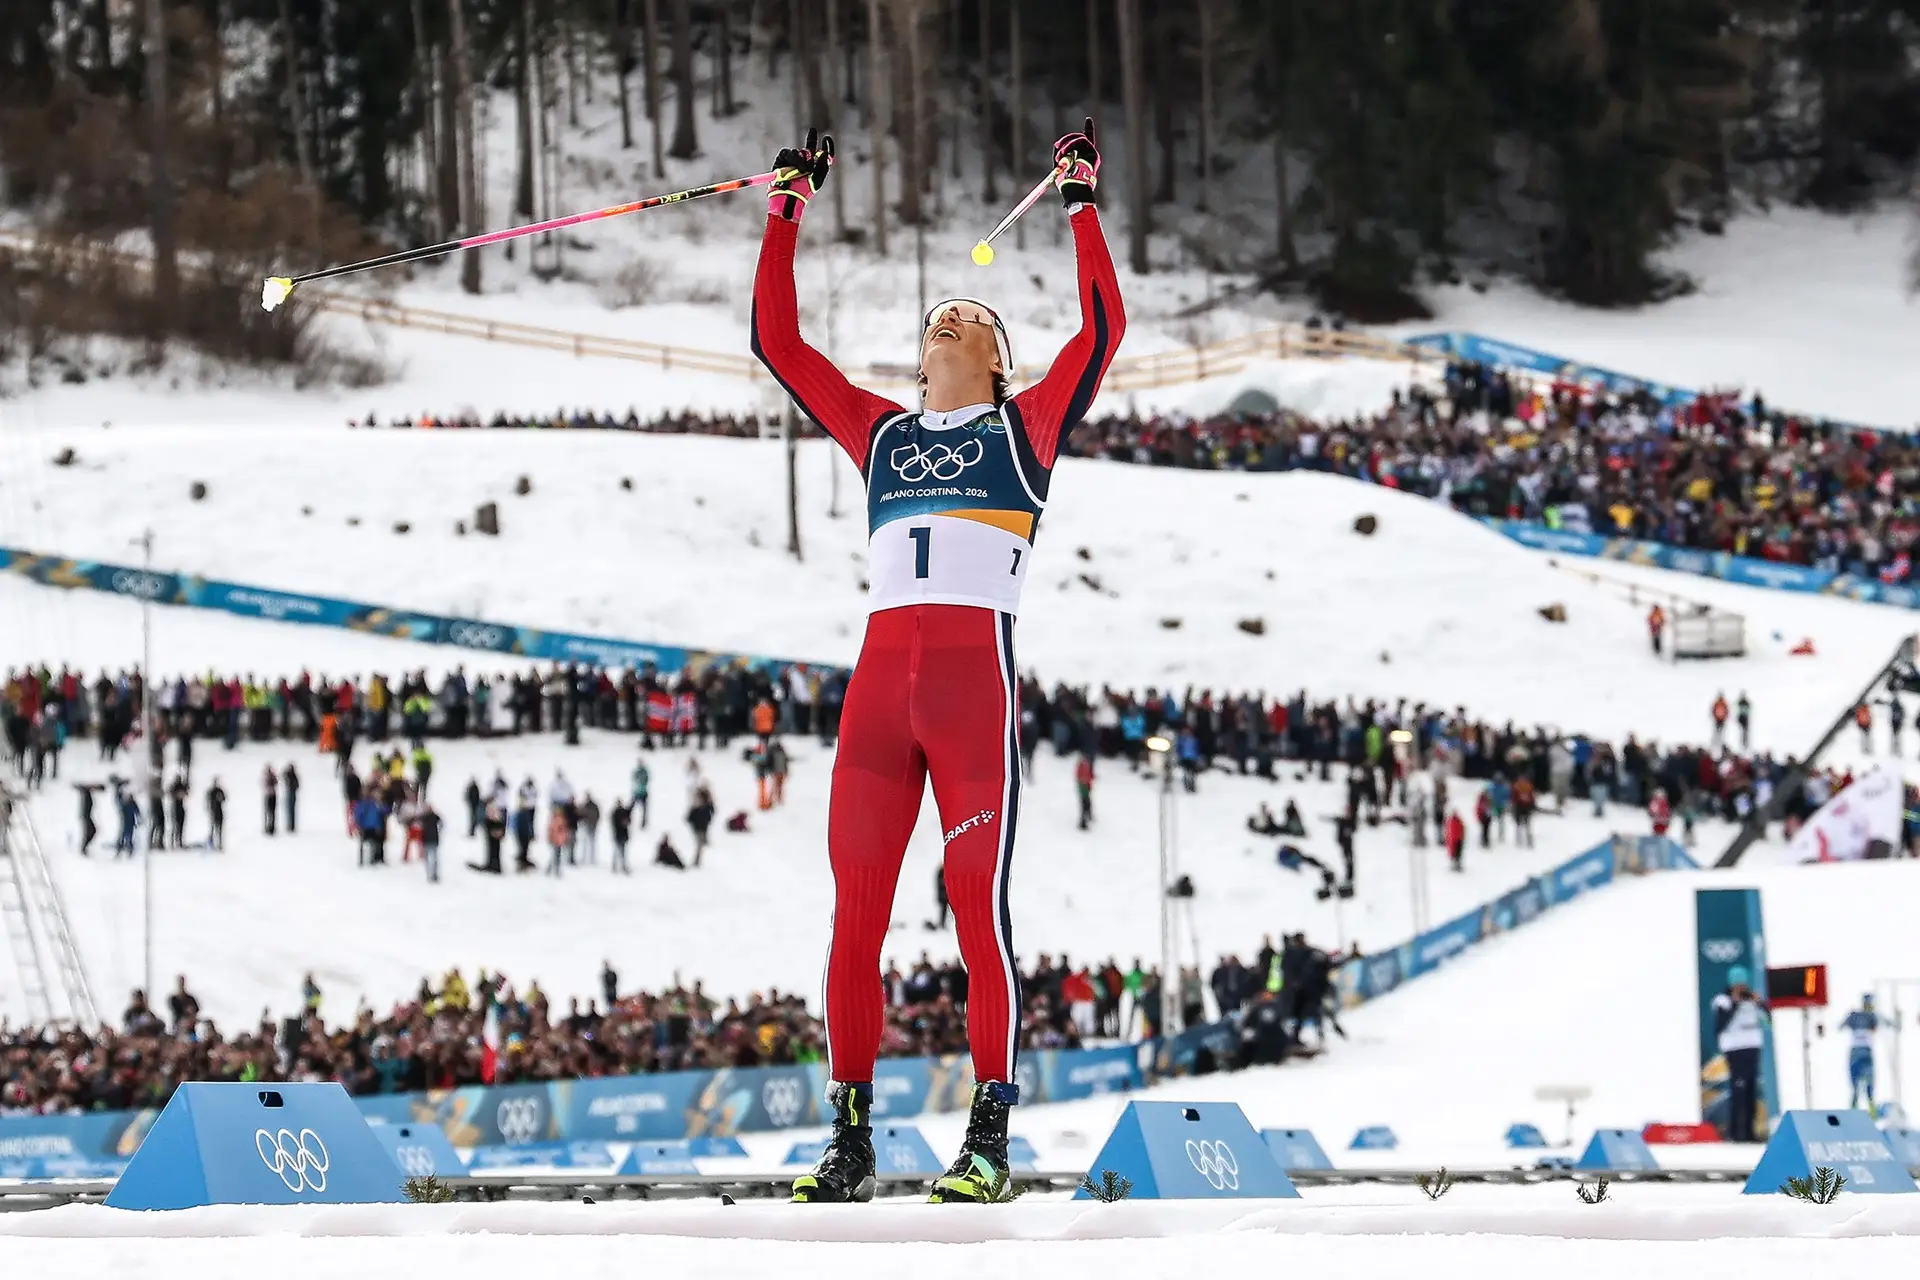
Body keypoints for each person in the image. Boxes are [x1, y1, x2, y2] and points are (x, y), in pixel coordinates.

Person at [753, 119, 1123, 1205]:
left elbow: (1102, 327)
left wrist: (1080, 197)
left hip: (970, 692)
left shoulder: (1028, 429)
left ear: (1000, 363)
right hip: (878, 695)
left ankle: (989, 1137)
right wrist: (788, 205)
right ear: (921, 359)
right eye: (942, 317)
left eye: (976, 317)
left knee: (977, 913)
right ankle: (852, 1138)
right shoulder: (880, 435)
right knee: (852, 917)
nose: (956, 314)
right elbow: (780, 343)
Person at [1713, 965, 1769, 1143]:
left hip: (1752, 1047)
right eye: (1737, 983)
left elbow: (1768, 1021)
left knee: (1751, 1089)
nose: (1741, 987)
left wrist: (1760, 1004)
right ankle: (1736, 1132)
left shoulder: (1751, 1000)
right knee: (1738, 1089)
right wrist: (1735, 1003)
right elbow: (1720, 1025)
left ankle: (1750, 1131)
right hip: (1734, 1049)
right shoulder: (1722, 1000)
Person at [1842, 994, 1880, 1111]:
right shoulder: (1868, 1016)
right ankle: (1858, 1108)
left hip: (1860, 1051)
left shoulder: (1861, 1016)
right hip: (1862, 1051)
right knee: (1861, 1084)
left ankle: (1861, 1107)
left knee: (1862, 1084)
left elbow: (1842, 1025)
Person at [420, 801, 442, 884]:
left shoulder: (433, 817)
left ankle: (434, 874)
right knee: (429, 859)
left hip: (432, 840)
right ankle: (430, 874)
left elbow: (441, 824)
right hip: (427, 840)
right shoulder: (424, 817)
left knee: (433, 859)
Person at [1074, 754, 1094, 830]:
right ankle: (1083, 822)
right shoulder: (1082, 766)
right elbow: (1083, 778)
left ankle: (1088, 816)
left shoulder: (1085, 765)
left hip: (1086, 788)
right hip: (1084, 789)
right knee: (1085, 805)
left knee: (1087, 804)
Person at [206, 779, 226, 851]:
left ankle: (220, 843)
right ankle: (211, 843)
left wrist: (221, 798)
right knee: (213, 828)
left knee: (220, 829)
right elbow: (208, 800)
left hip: (219, 811)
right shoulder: (212, 791)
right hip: (213, 811)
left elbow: (224, 798)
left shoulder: (220, 790)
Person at [282, 763, 301, 833]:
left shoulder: (293, 776)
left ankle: (292, 826)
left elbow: (297, 785)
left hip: (291, 794)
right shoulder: (290, 775)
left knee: (291, 811)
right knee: (289, 811)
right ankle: (290, 826)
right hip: (290, 794)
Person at [262, 764, 279, 836]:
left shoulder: (273, 776)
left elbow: (276, 783)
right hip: (268, 795)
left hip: (272, 795)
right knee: (268, 812)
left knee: (272, 812)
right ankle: (267, 826)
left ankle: (271, 827)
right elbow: (264, 785)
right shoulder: (265, 777)